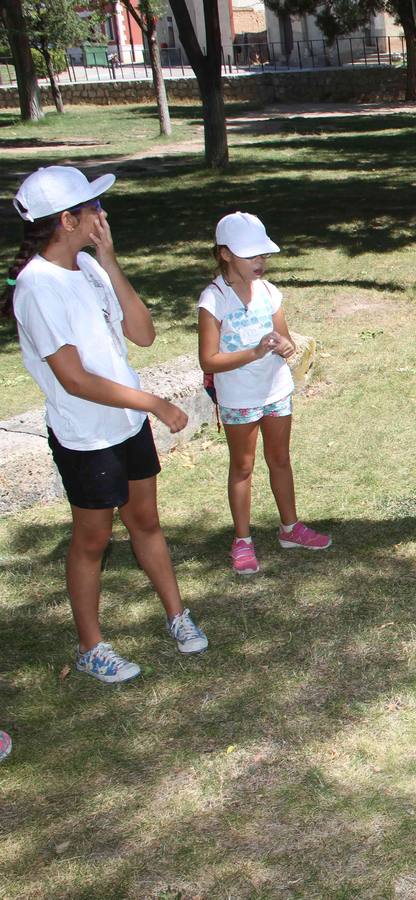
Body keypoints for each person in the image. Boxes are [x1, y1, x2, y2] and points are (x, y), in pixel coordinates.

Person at [5, 166, 207, 684]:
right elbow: (74, 379)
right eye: (93, 207)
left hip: (127, 425)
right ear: (67, 220)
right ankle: (91, 646)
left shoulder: (89, 268)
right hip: (86, 437)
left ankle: (177, 614)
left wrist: (110, 260)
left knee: (146, 522)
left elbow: (143, 334)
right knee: (91, 540)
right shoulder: (36, 287)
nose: (103, 213)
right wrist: (154, 402)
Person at [198, 212, 331, 575]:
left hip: (276, 391)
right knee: (242, 467)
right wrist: (254, 352)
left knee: (280, 459)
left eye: (263, 255)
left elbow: (286, 340)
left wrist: (285, 346)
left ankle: (290, 528)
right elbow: (208, 360)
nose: (260, 262)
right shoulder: (214, 300)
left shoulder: (269, 292)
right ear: (225, 254)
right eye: (250, 255)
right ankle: (242, 540)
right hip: (238, 397)